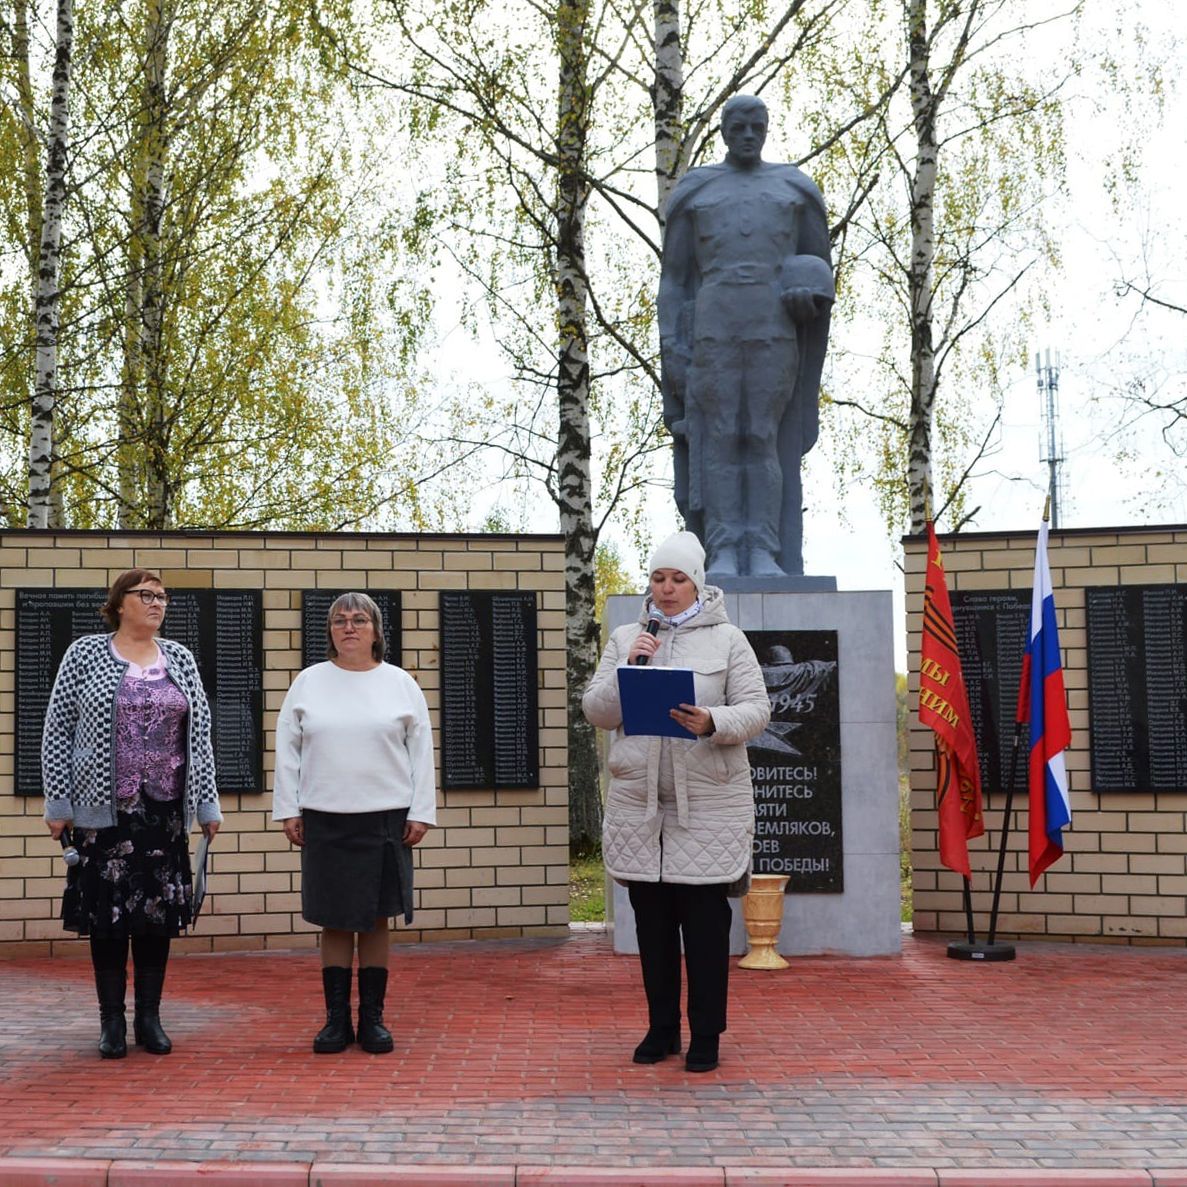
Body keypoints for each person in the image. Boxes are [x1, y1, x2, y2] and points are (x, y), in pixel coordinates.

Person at [582, 531, 770, 1072]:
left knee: (706, 930)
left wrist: (713, 721)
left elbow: (757, 709)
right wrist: (630, 670)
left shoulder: (729, 640)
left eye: (678, 579)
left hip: (708, 807)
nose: (666, 588)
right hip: (641, 807)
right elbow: (597, 711)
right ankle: (661, 1028)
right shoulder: (628, 637)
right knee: (653, 927)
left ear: (698, 584)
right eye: (658, 578)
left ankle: (706, 1034)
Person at [42, 569, 222, 1059]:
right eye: (146, 595)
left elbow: (199, 737)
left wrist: (207, 803)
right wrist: (58, 803)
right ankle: (111, 1021)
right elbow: (57, 730)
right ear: (119, 603)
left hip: (164, 813)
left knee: (156, 915)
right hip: (103, 813)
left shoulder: (179, 657)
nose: (157, 602)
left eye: (162, 596)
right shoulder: (85, 654)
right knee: (107, 915)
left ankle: (149, 1017)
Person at [658, 93, 834, 581]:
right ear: (723, 131)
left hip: (772, 325)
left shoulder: (794, 189)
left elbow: (820, 267)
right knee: (719, 437)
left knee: (760, 435)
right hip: (713, 325)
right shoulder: (697, 191)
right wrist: (672, 348)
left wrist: (808, 290)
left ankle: (762, 549)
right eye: (739, 127)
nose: (749, 135)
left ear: (767, 128)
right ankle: (721, 549)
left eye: (757, 126)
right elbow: (674, 279)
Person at [273, 592, 436, 1055]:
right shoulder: (308, 682)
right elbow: (287, 750)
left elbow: (421, 754)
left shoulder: (400, 684)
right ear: (330, 630)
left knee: (376, 919)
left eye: (360, 620)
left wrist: (421, 812)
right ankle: (336, 1021)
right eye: (340, 620)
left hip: (385, 819)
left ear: (376, 630)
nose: (349, 627)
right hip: (324, 817)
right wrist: (289, 808)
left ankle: (373, 1020)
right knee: (335, 920)